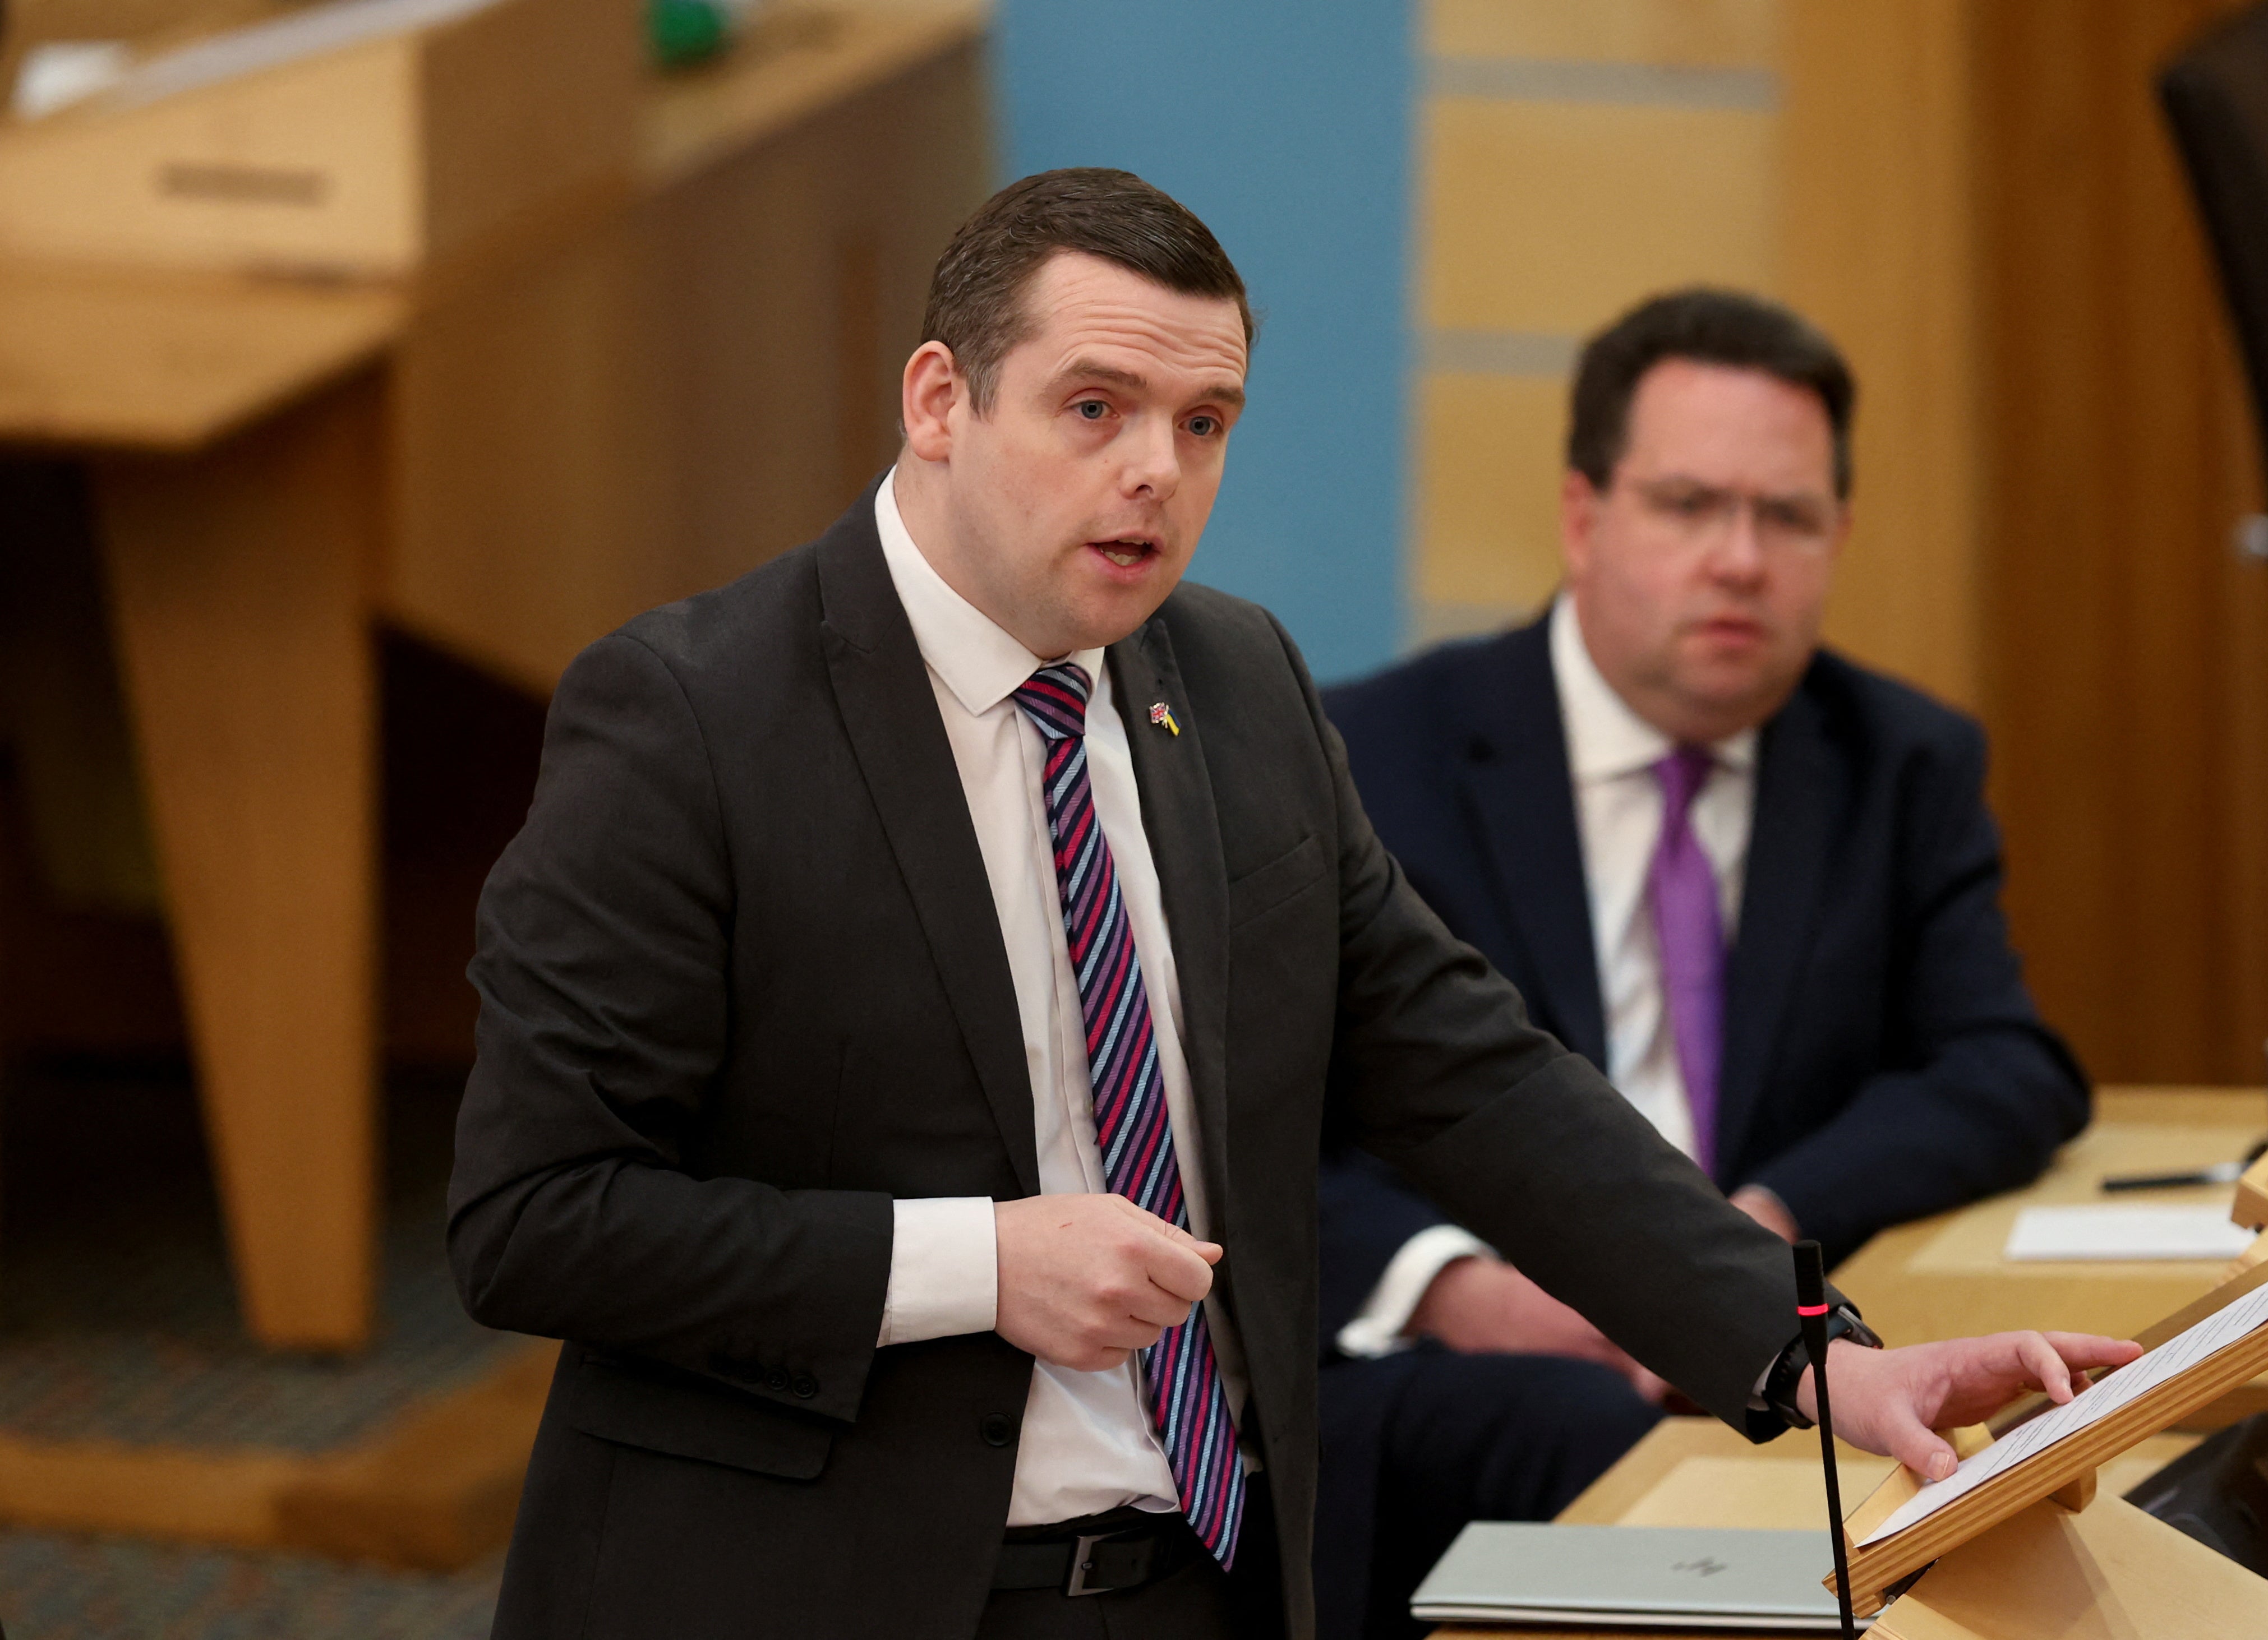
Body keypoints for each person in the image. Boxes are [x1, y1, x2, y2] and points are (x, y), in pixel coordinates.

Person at [448, 179, 2132, 1640]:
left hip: (1205, 1569)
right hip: (824, 1583)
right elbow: (535, 1216)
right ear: (939, 398)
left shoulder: (1233, 678)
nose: (1154, 477)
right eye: (1093, 409)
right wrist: (977, 1259)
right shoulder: (689, 715)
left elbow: (1465, 1067)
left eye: (1203, 425)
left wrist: (1813, 1356)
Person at [1312, 288, 2092, 1637]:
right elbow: (1243, 1134)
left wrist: (1759, 1221)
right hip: (1483, 1366)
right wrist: (1460, 1288)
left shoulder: (1895, 760)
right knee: (1571, 1429)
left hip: (1775, 1334)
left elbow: (2005, 1062)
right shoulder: (1369, 758)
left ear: (1839, 535)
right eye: (1686, 505)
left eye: (1785, 516)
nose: (1738, 559)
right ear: (1582, 515)